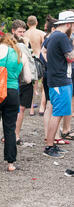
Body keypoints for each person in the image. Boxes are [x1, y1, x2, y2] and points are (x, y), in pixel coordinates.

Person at [0, 33, 31, 171]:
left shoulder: (1, 48)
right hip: (12, 92)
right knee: (10, 128)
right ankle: (10, 163)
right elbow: (28, 79)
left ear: (4, 41)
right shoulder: (22, 55)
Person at [43, 11, 74, 158]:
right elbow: (71, 58)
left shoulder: (54, 35)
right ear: (68, 24)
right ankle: (49, 146)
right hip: (60, 80)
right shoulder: (62, 37)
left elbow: (44, 51)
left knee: (59, 112)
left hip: (58, 78)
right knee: (58, 113)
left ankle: (52, 144)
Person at [12, 19, 35, 144]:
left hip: (23, 81)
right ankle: (13, 135)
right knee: (16, 109)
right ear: (13, 31)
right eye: (19, 32)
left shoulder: (24, 42)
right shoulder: (15, 44)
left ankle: (14, 134)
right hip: (17, 80)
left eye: (23, 31)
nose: (22, 34)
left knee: (20, 109)